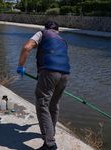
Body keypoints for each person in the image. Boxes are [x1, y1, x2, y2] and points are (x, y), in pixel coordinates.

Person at [17, 21, 70, 150]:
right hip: (65, 74)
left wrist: (21, 66)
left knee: (42, 103)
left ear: (46, 28)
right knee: (54, 104)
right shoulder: (62, 40)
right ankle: (50, 133)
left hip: (49, 72)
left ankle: (50, 144)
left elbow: (27, 47)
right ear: (58, 30)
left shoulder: (42, 33)